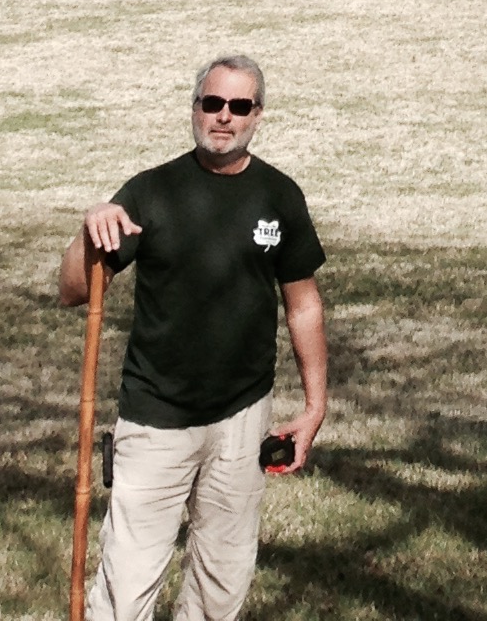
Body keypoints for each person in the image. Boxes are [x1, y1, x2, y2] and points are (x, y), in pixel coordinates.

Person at [58, 51, 328, 621]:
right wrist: (90, 230)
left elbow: (302, 304)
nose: (223, 116)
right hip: (155, 419)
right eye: (212, 103)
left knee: (220, 589)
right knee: (125, 590)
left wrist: (314, 405)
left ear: (257, 114)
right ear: (194, 109)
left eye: (238, 106)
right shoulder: (151, 192)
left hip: (242, 417)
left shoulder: (279, 196)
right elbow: (73, 291)